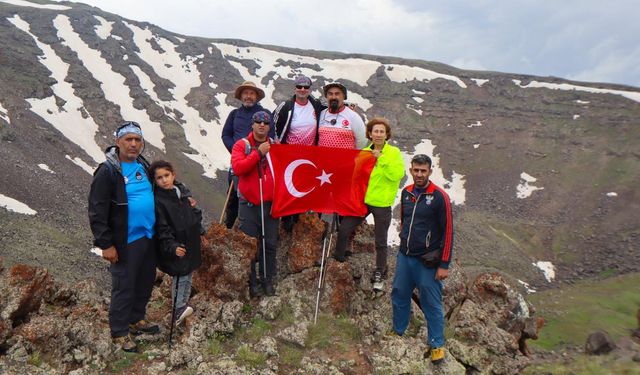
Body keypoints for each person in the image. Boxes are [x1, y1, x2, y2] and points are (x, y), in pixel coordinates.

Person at [88, 122, 159, 353]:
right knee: (124, 285)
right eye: (128, 139)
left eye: (137, 140)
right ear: (118, 142)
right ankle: (119, 331)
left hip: (148, 235)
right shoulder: (108, 171)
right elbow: (97, 210)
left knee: (145, 280)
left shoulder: (143, 165)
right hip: (124, 240)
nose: (133, 144)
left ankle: (136, 318)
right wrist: (105, 244)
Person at [391, 154, 454, 364]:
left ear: (429, 171)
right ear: (411, 170)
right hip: (405, 257)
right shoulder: (406, 193)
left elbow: (448, 231)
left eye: (423, 171)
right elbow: (404, 222)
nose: (419, 174)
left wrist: (444, 264)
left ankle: (437, 345)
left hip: (427, 261)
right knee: (399, 294)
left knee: (431, 303)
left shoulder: (439, 197)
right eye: (416, 170)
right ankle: (398, 331)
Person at [333, 118, 405, 291]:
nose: (378, 134)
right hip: (362, 201)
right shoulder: (364, 152)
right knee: (344, 229)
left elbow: (397, 175)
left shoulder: (393, 153)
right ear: (370, 134)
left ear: (386, 135)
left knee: (380, 240)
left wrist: (381, 159)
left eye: (381, 132)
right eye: (375, 131)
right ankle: (338, 259)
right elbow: (356, 176)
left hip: (381, 203)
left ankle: (380, 270)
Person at [150, 160, 205, 327]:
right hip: (177, 245)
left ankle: (183, 303)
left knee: (188, 273)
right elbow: (162, 228)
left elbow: (194, 214)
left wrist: (201, 231)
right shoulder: (159, 201)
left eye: (166, 175)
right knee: (180, 275)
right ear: (155, 181)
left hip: (191, 241)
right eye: (159, 178)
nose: (164, 180)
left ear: (173, 175)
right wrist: (172, 246)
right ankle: (178, 308)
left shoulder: (182, 193)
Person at [231, 111, 279, 297]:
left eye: (265, 123)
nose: (261, 125)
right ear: (252, 124)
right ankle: (251, 283)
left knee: (270, 244)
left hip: (271, 203)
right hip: (249, 203)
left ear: (269, 126)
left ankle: (267, 280)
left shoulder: (276, 146)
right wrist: (258, 153)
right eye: (258, 122)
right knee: (249, 244)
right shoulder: (242, 145)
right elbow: (238, 168)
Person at [272, 75, 325, 232]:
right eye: (299, 87)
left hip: (309, 154)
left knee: (304, 188)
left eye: (306, 87)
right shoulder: (286, 105)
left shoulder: (315, 104)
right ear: (295, 88)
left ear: (310, 90)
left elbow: (330, 110)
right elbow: (273, 123)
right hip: (289, 153)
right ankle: (286, 221)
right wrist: (277, 144)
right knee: (289, 187)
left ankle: (299, 220)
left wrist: (348, 106)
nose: (302, 90)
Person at [221, 81, 274, 229]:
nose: (248, 96)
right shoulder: (234, 114)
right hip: (239, 162)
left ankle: (252, 228)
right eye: (246, 93)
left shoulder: (265, 115)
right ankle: (228, 228)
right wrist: (237, 150)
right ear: (241, 96)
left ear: (257, 96)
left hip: (261, 163)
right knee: (234, 197)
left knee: (256, 195)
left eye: (252, 93)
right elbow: (226, 135)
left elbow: (272, 136)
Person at [317, 82, 367, 150]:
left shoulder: (353, 116)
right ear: (326, 96)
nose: (333, 97)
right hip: (322, 159)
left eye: (337, 94)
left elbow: (362, 140)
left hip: (345, 159)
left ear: (344, 96)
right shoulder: (321, 114)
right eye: (330, 94)